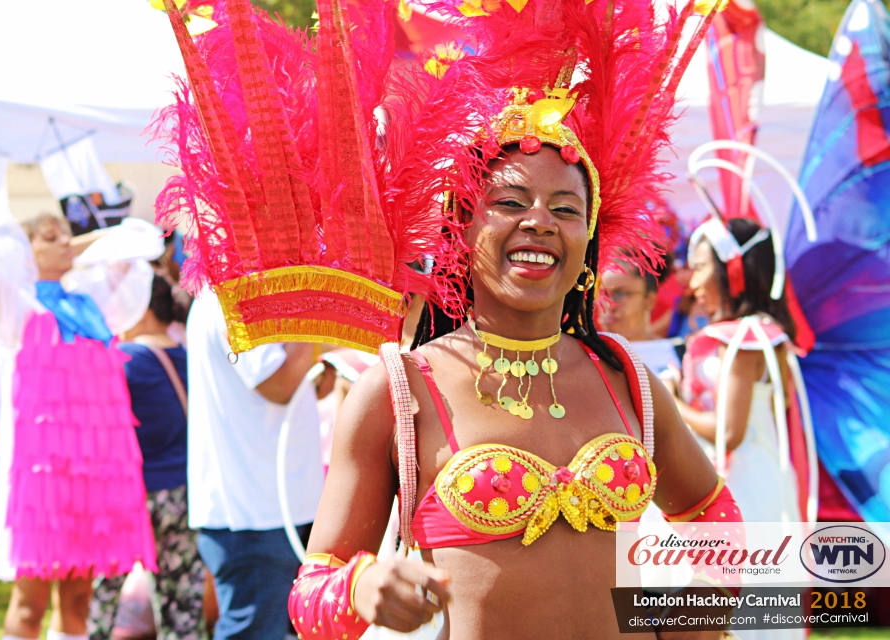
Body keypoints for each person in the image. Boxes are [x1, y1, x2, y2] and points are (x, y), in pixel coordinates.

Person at [153, 0, 738, 637]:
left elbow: (718, 523)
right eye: (510, 201)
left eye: (566, 209)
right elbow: (311, 597)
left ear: (590, 238)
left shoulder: (627, 380)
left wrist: (689, 616)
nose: (539, 220)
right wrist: (365, 584)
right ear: (460, 228)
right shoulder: (402, 389)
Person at [0, 213, 163, 640]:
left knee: (79, 600)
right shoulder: (13, 304)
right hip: (37, 477)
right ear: (25, 251)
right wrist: (19, 248)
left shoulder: (91, 301)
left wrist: (87, 244)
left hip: (92, 470)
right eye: (52, 237)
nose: (67, 241)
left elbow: (136, 246)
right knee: (29, 605)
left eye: (68, 234)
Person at [186, 291, 333, 640]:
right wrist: (317, 304)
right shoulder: (231, 292)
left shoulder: (258, 287)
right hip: (253, 516)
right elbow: (279, 383)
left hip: (282, 508)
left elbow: (308, 386)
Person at [89, 274, 204, 640]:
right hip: (182, 494)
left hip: (131, 498)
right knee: (181, 601)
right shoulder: (188, 355)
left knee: (103, 598)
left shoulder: (127, 359)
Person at [667, 217, 803, 526]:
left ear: (732, 269)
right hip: (742, 476)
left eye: (701, 267)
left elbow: (729, 433)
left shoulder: (746, 339)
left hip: (745, 487)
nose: (693, 282)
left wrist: (669, 401)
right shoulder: (755, 333)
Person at [598, 261, 682, 376]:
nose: (609, 305)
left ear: (649, 300)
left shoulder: (678, 353)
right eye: (603, 295)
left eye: (621, 294)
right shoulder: (588, 357)